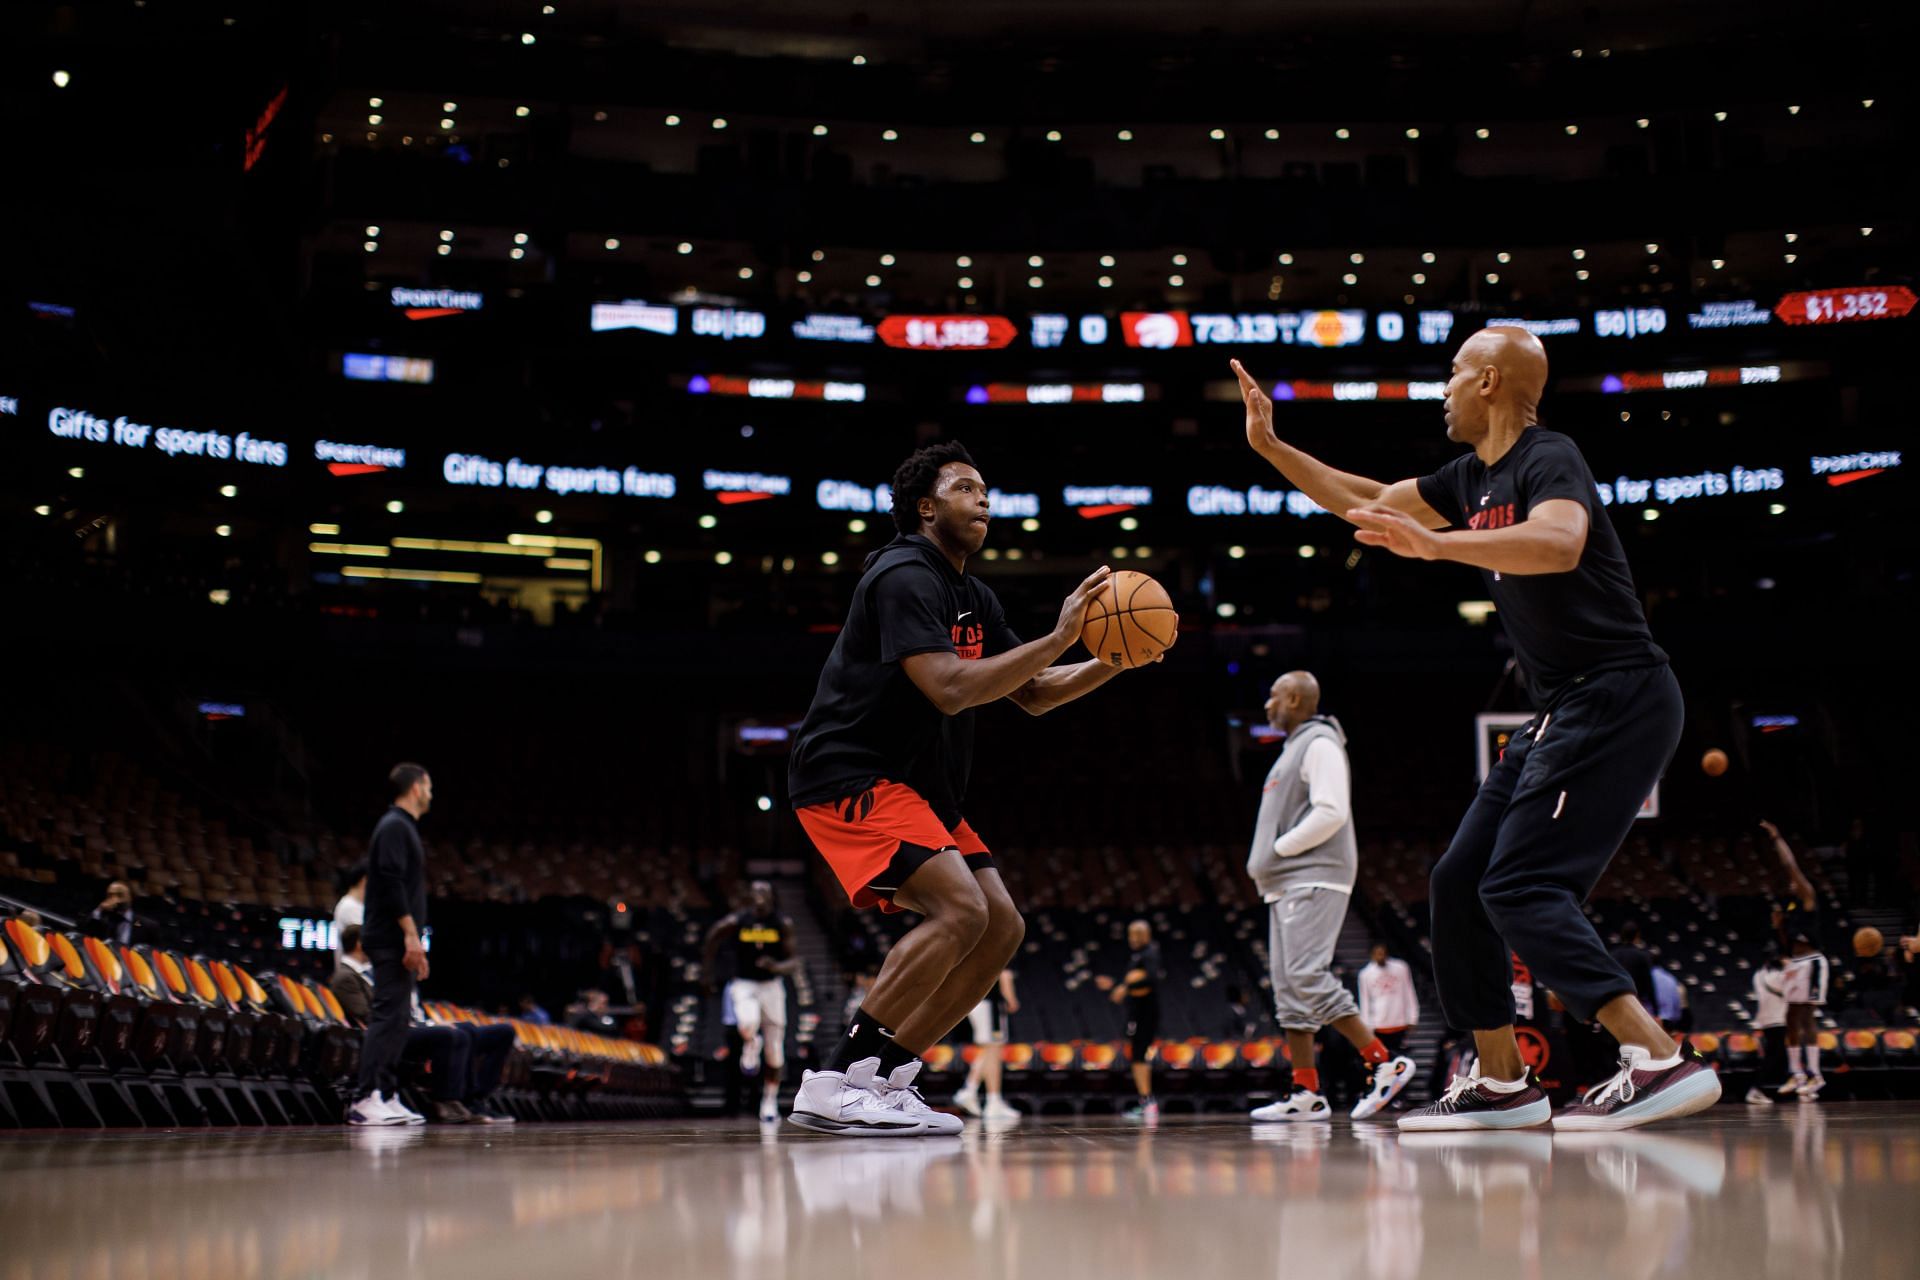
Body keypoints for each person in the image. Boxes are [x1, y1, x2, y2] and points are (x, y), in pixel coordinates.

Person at [1234, 332, 1718, 1133]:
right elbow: (1368, 501)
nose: (1444, 389)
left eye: (1454, 374)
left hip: (1617, 695)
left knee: (1521, 885)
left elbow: (1561, 543)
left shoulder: (1546, 456)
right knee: (1458, 882)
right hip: (1560, 708)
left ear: (1489, 381)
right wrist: (1272, 446)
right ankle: (1502, 1081)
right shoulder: (1472, 478)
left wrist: (1440, 545)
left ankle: (1658, 1056)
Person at [786, 440, 1169, 1137]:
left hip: (921, 788)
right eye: (966, 487)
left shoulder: (974, 595)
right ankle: (834, 1080)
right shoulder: (903, 574)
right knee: (960, 908)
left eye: (986, 488)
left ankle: (893, 1078)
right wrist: (1059, 636)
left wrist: (1116, 657)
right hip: (849, 771)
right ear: (927, 508)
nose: (983, 498)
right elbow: (951, 689)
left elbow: (1034, 692)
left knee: (1000, 926)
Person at [1244, 671, 1415, 1122]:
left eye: (1273, 695)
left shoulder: (1319, 742)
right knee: (1289, 989)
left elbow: (1332, 811)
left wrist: (1279, 850)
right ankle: (1307, 1091)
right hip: (1287, 883)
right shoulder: (1292, 748)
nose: (1266, 705)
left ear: (1296, 698)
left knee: (1305, 974)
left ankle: (1384, 1062)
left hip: (1311, 877)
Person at [345, 763, 434, 1128]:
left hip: (400, 939)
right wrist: (411, 935)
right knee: (387, 1015)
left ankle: (386, 1093)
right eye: (429, 786)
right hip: (390, 938)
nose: (431, 793)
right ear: (415, 788)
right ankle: (365, 1097)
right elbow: (392, 882)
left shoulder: (403, 827)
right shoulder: (394, 825)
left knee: (399, 1019)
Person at [703, 880, 803, 1123]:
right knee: (747, 1022)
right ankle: (750, 1042)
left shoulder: (782, 923)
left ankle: (769, 1102)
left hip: (771, 985)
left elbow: (795, 961)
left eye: (764, 891)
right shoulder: (738, 920)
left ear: (771, 896)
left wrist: (777, 966)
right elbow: (712, 937)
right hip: (744, 982)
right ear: (749, 896)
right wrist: (707, 973)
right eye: (755, 891)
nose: (759, 895)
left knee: (774, 1054)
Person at [1095, 919, 1164, 1122]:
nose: (1131, 938)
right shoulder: (1139, 955)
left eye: (1135, 934)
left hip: (1145, 1013)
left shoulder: (1149, 953)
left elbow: (1148, 980)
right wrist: (1116, 985)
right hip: (1137, 1012)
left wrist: (1124, 987)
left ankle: (1148, 1102)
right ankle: (1146, 1100)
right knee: (1136, 1056)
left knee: (1139, 1057)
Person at [952, 968, 1020, 1120]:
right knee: (993, 1051)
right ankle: (986, 1097)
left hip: (978, 1003)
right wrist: (1011, 998)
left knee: (989, 1052)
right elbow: (1004, 973)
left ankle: (979, 1094)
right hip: (990, 1005)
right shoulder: (996, 950)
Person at [1780, 932, 1830, 1099]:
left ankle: (1815, 1075)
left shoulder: (1815, 959)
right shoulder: (1795, 957)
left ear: (1808, 945)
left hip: (1810, 969)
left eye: (1799, 943)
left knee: (1806, 1019)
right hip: (1797, 967)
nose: (1795, 946)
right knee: (1791, 1020)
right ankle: (1798, 1074)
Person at [1357, 943, 1421, 1060]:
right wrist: (1367, 1025)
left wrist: (1413, 1017)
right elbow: (1365, 1001)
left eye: (1382, 953)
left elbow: (1409, 992)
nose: (1380, 956)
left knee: (1399, 1058)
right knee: (1383, 1058)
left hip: (1399, 1021)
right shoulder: (1365, 974)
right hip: (1379, 1023)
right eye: (1377, 954)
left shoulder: (1401, 967)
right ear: (1372, 955)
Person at [1747, 947, 1789, 1104]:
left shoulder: (1758, 974)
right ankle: (1755, 1090)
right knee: (1773, 1057)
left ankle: (1794, 1086)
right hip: (1776, 1019)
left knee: (1779, 1055)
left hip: (1768, 1020)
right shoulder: (1776, 976)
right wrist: (1788, 966)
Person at [1609, 922, 1658, 1017]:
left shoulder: (1612, 955)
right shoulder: (1642, 956)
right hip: (1635, 1003)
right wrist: (1656, 1010)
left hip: (1615, 1003)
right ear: (1637, 935)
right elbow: (1649, 986)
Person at [88, 881, 137, 946]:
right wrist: (99, 910)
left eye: (120, 895)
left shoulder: (146, 925)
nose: (115, 899)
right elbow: (84, 931)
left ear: (130, 897)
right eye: (110, 895)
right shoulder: (102, 918)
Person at [333, 862, 367, 953]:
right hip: (352, 966)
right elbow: (365, 942)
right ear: (364, 880)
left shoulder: (357, 904)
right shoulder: (349, 906)